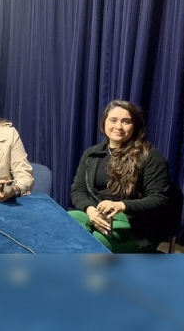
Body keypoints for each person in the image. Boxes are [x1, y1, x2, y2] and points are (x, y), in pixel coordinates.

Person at [69, 100, 176, 253]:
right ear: (104, 123)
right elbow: (78, 190)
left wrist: (121, 206)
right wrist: (90, 209)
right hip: (96, 213)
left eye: (126, 122)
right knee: (66, 224)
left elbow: (159, 199)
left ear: (135, 126)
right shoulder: (92, 154)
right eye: (113, 120)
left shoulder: (150, 156)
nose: (118, 126)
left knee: (95, 242)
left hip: (135, 224)